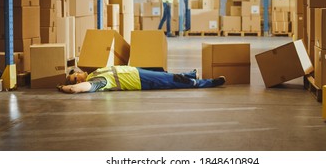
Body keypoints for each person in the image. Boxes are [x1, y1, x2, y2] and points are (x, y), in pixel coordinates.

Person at [57, 66, 226, 94]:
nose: (77, 80)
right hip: (141, 81)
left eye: (75, 77)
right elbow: (76, 89)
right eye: (74, 80)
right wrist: (66, 87)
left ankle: (189, 74)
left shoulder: (96, 71)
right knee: (172, 81)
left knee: (165, 73)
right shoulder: (98, 80)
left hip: (137, 71)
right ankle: (209, 82)